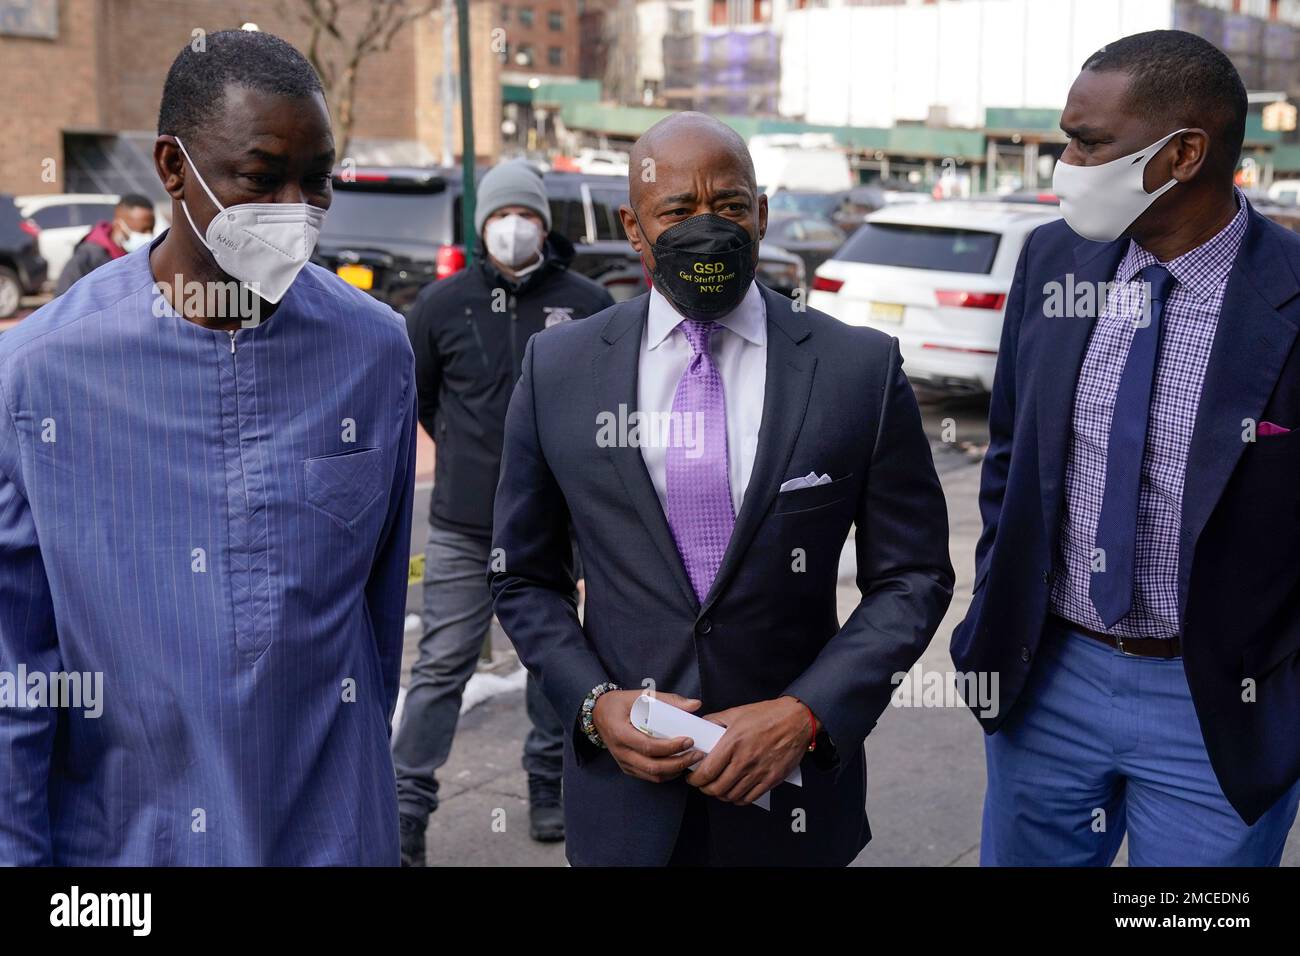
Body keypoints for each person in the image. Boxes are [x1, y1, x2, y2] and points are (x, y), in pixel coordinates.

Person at [488, 111, 954, 866]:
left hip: (793, 800)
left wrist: (809, 713)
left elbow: (914, 577)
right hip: (625, 803)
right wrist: (593, 705)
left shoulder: (856, 369)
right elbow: (524, 578)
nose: (709, 227)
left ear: (762, 214)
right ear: (633, 229)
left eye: (731, 205)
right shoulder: (559, 369)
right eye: (677, 210)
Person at [0, 30, 416, 865]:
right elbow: (15, 673)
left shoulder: (374, 352)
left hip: (335, 831)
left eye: (319, 180)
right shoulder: (40, 375)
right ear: (172, 167)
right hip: (126, 848)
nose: (296, 208)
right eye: (262, 178)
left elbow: (374, 628)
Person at [952, 29, 1300, 866]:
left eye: (1090, 142)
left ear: (1182, 154)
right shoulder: (1052, 260)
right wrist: (990, 625)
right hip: (1047, 678)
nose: (1065, 163)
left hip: (1217, 710)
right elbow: (1010, 460)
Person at [397, 161, 613, 865]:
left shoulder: (587, 303)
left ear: (544, 224)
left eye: (525, 213)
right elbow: (423, 401)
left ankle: (548, 787)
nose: (513, 226)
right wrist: (468, 454)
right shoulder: (439, 304)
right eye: (500, 214)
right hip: (463, 526)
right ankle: (405, 809)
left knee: (553, 666)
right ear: (482, 221)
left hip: (553, 529)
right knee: (439, 669)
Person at [54, 194, 156, 295]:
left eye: (151, 229)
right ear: (118, 225)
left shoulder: (145, 257)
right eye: (142, 230)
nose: (148, 235)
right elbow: (64, 300)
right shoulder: (88, 257)